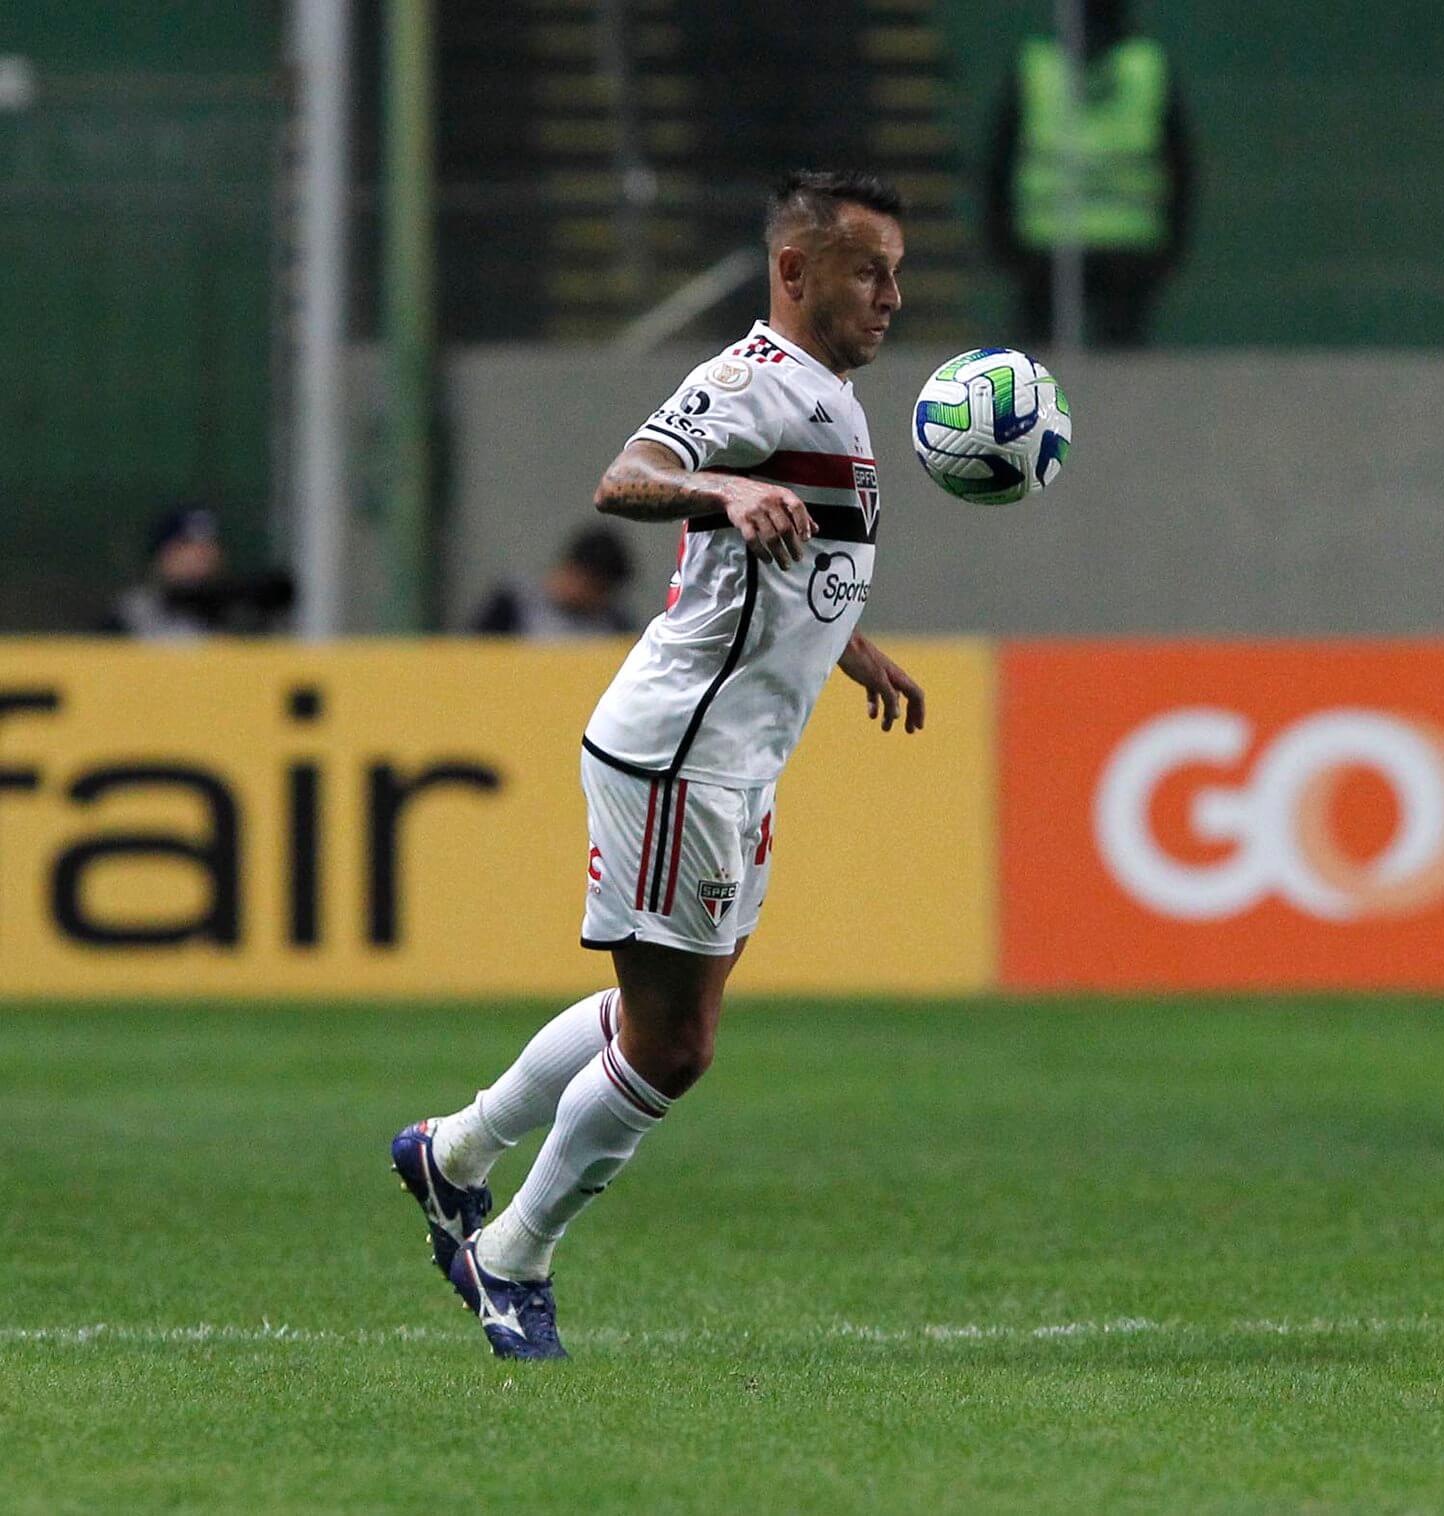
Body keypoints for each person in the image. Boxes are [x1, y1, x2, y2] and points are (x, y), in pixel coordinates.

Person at [390, 169, 924, 1360]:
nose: (892, 295)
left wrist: (852, 650)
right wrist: (719, 482)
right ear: (795, 272)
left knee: (660, 1014)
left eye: (898, 272)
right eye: (867, 271)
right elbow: (625, 476)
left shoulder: (830, 394)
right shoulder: (750, 381)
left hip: (732, 757)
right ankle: (509, 1254)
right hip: (681, 751)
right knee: (674, 1045)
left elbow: (776, 569)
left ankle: (455, 1151)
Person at [986, 0, 1194, 349]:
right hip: (1128, 242)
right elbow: (1180, 166)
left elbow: (1000, 162)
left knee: (1031, 379)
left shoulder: (1037, 66)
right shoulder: (1147, 67)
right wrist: (1170, 248)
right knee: (1122, 374)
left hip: (1046, 241)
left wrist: (1003, 244)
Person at [99, 505, 294, 639]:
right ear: (162, 555)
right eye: (186, 546)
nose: (200, 556)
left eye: (207, 547)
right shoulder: (131, 615)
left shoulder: (235, 612)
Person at [468, 525, 638, 638]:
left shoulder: (613, 623)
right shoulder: (511, 606)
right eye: (596, 588)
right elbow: (477, 655)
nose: (597, 600)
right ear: (573, 571)